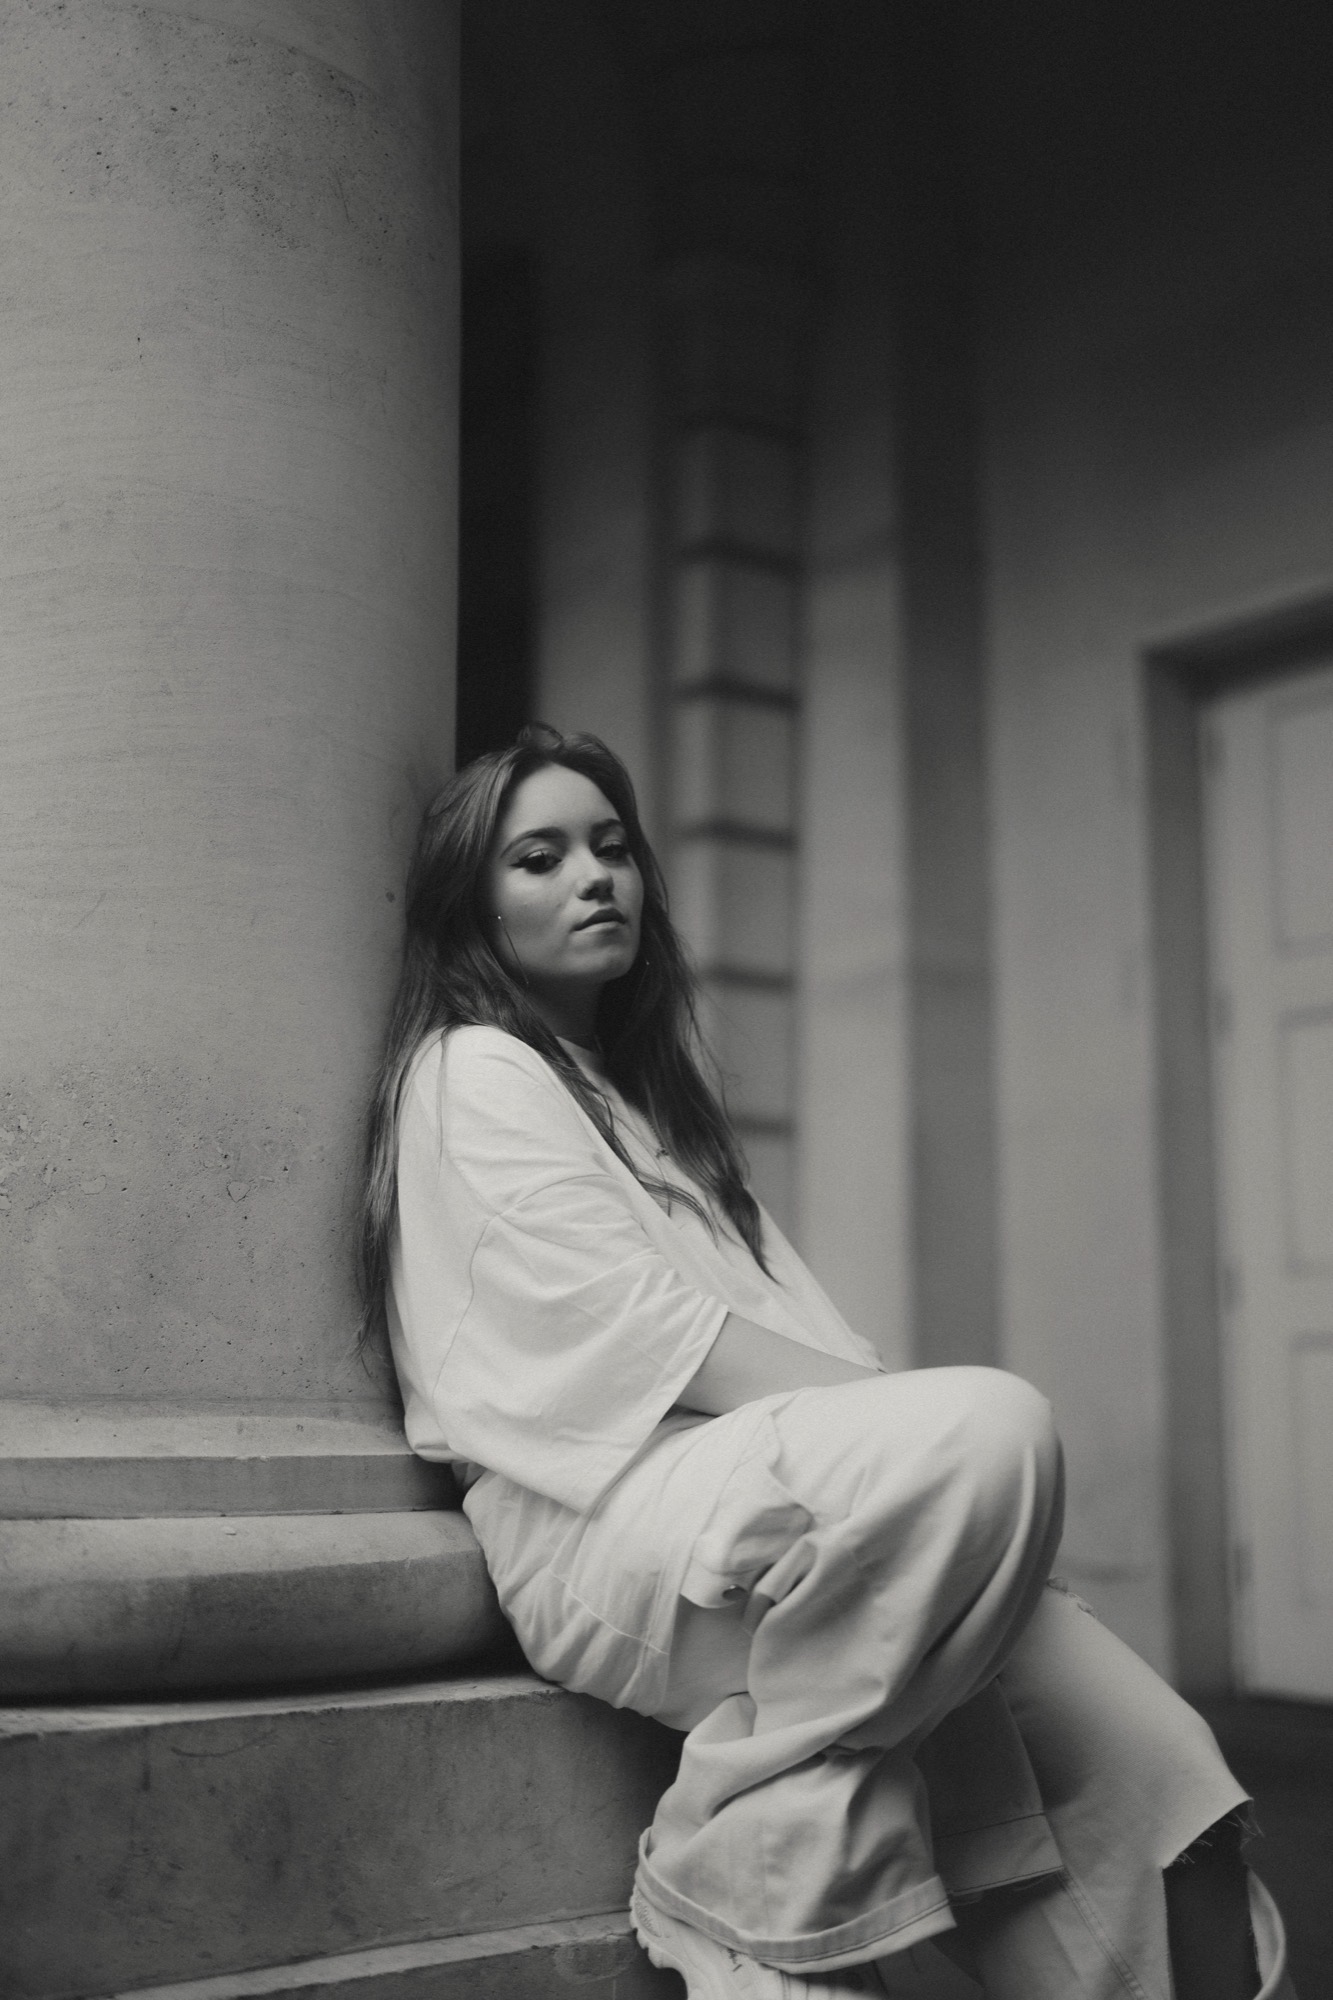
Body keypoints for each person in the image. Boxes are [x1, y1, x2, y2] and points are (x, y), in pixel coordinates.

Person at [357, 724, 1296, 2000]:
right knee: (994, 1426)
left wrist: (931, 1501)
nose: (596, 876)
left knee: (1163, 1767)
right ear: (474, 903)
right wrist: (921, 1456)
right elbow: (627, 1331)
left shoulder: (649, 1110)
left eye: (612, 845)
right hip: (599, 1513)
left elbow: (813, 1344)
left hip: (769, 1492)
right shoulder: (470, 1069)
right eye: (541, 856)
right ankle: (743, 1855)